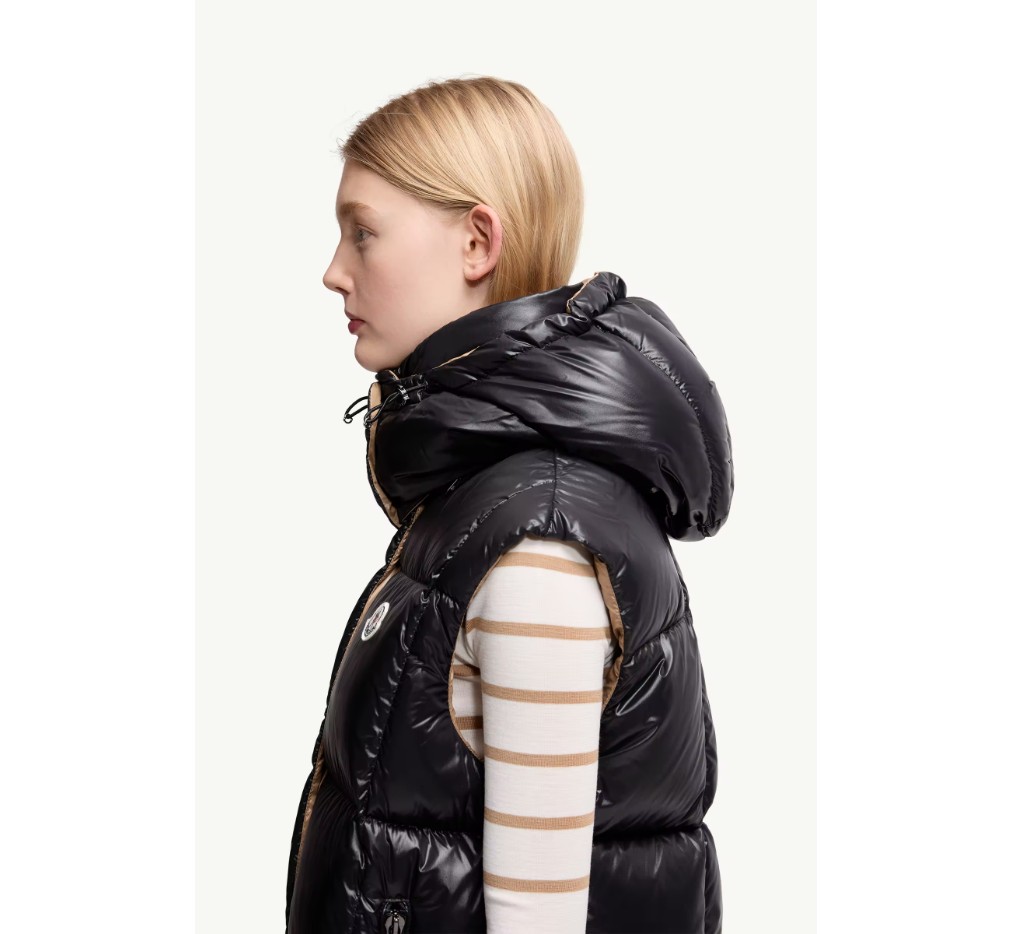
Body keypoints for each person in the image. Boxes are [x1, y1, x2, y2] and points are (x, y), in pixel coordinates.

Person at [285, 75, 733, 934]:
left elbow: (538, 915)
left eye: (363, 232)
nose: (335, 272)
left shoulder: (539, 548)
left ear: (476, 242)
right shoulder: (488, 498)